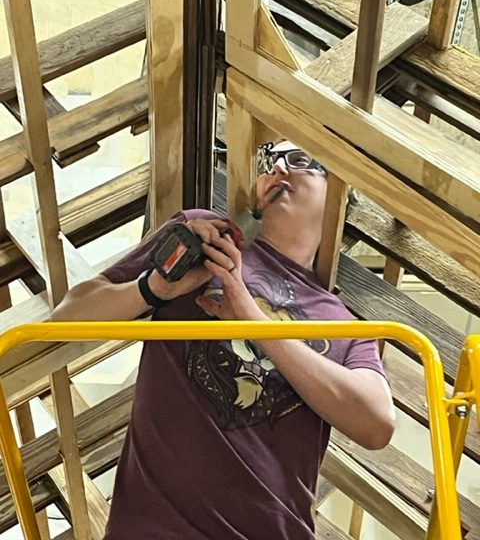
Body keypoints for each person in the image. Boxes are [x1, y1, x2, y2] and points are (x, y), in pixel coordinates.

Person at [51, 140, 395, 540]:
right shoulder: (204, 238)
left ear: (339, 193)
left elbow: (377, 425)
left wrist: (250, 317)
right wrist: (154, 288)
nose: (277, 170)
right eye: (269, 161)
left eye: (299, 161)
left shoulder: (344, 324)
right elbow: (67, 317)